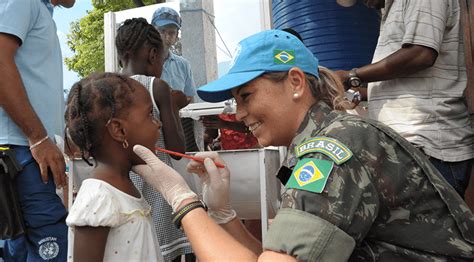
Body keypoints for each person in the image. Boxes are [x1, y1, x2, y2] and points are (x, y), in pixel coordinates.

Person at [131, 29, 474, 261]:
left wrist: (182, 199)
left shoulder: (333, 150)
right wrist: (224, 215)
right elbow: (275, 256)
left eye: (246, 96)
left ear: (295, 82)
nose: (241, 112)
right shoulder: (325, 139)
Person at [336, 0, 474, 198]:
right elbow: (406, 80)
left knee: (427, 228)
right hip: (410, 150)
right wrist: (360, 93)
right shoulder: (392, 8)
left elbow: (421, 54)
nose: (363, 3)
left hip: (428, 150)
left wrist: (352, 76)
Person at [64, 73, 189, 261]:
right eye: (150, 115)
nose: (158, 124)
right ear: (119, 130)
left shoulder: (126, 186)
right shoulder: (98, 198)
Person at [0, 0, 75, 260]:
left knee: (23, 248)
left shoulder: (41, 10)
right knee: (51, 244)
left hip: (27, 150)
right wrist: (38, 137)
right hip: (21, 152)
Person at [115, 17, 191, 262]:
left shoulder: (105, 88)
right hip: (156, 187)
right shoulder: (156, 87)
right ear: (153, 55)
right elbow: (177, 148)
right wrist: (174, 105)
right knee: (164, 251)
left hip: (123, 187)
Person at [151, 7, 200, 154]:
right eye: (161, 31)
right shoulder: (144, 62)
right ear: (152, 31)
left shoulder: (183, 64)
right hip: (153, 126)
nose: (166, 36)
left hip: (179, 124)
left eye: (171, 32)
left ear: (177, 35)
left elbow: (190, 97)